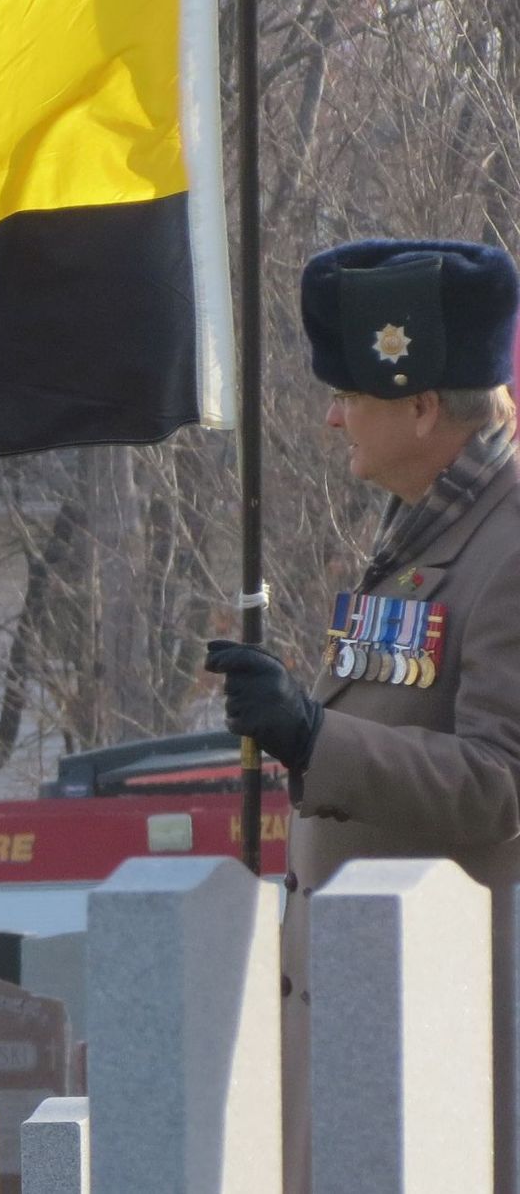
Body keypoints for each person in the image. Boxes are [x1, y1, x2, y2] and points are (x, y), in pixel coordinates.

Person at [205, 238, 520, 1191]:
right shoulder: (430, 529)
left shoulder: (508, 542)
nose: (333, 416)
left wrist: (314, 734)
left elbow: (500, 784)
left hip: (450, 1054)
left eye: (350, 394)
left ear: (422, 406)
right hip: (376, 1031)